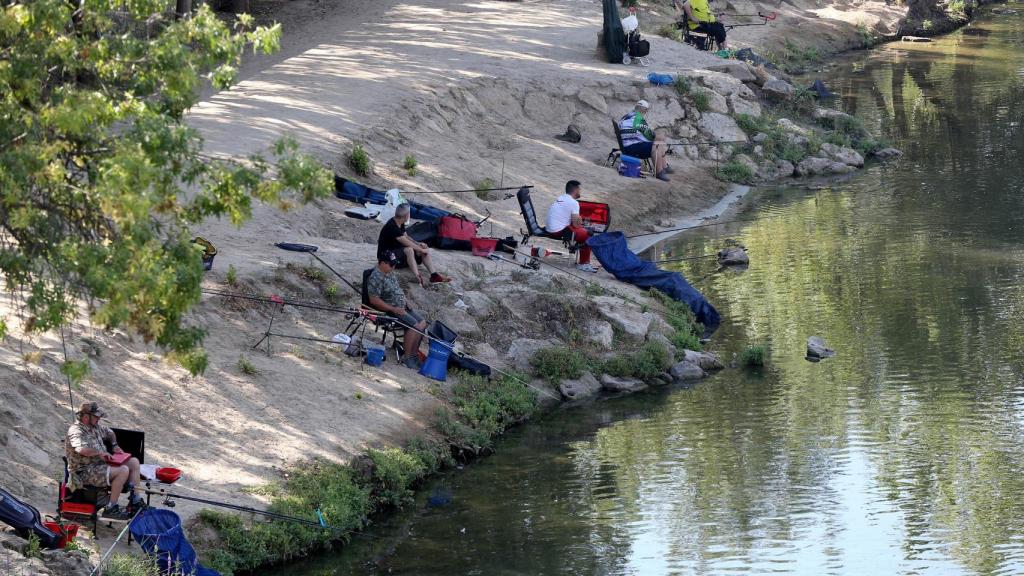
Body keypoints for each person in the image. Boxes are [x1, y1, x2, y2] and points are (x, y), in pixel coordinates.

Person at [65, 402, 144, 520]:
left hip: (99, 466)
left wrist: (114, 445)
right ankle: (111, 507)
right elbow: (81, 449)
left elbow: (110, 432)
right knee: (123, 470)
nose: (99, 418)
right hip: (83, 472)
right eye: (96, 416)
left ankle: (135, 501)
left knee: (134, 462)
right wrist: (99, 452)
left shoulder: (94, 427)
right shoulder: (76, 431)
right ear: (86, 416)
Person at [367, 250, 428, 369]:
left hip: (401, 306)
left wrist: (405, 301)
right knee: (413, 326)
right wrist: (393, 309)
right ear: (382, 263)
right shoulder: (376, 277)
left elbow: (397, 290)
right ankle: (408, 358)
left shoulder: (389, 273)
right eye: (391, 264)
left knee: (423, 322)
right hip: (389, 310)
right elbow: (374, 300)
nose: (393, 267)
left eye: (394, 264)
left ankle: (414, 354)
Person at [377, 203, 450, 288]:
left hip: (396, 252)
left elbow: (406, 237)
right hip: (386, 258)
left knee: (421, 247)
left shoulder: (399, 222)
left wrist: (419, 244)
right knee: (409, 250)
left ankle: (434, 276)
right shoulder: (392, 227)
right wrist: (421, 250)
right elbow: (405, 242)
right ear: (407, 215)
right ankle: (417, 276)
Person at [544, 180, 598, 273]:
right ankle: (584, 264)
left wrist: (578, 221)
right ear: (576, 190)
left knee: (583, 231)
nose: (580, 191)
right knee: (588, 234)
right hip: (558, 232)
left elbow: (573, 221)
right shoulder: (574, 203)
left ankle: (581, 256)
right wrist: (582, 223)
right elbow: (576, 225)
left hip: (549, 229)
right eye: (579, 189)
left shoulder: (561, 198)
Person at [618, 100, 671, 182]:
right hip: (632, 148)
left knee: (658, 142)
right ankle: (659, 172)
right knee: (658, 142)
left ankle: (664, 167)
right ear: (645, 110)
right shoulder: (638, 119)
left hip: (625, 145)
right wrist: (657, 136)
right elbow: (650, 136)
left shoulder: (625, 116)